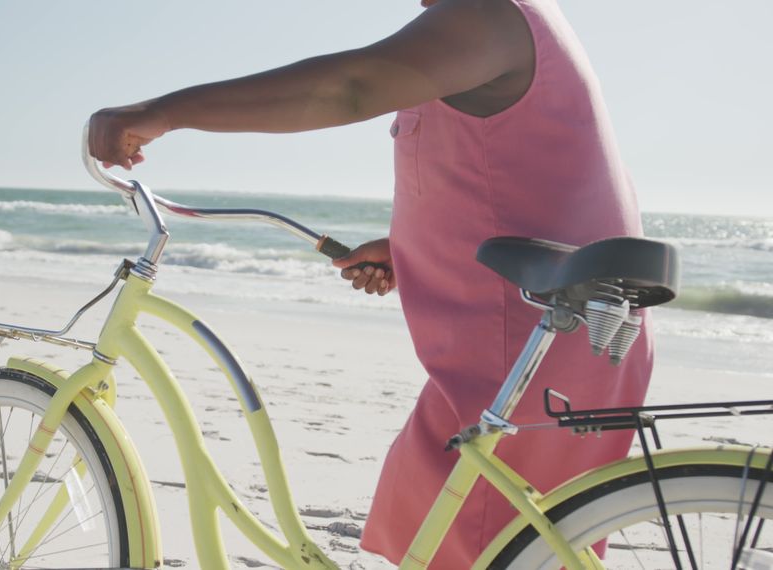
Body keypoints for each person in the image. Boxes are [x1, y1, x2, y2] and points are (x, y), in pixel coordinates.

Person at [88, 0, 652, 566]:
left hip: (527, 342)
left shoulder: (486, 13)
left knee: (479, 544)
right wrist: (409, 246)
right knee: (489, 538)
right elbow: (501, 174)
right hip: (551, 331)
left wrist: (160, 113)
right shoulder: (502, 21)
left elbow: (348, 88)